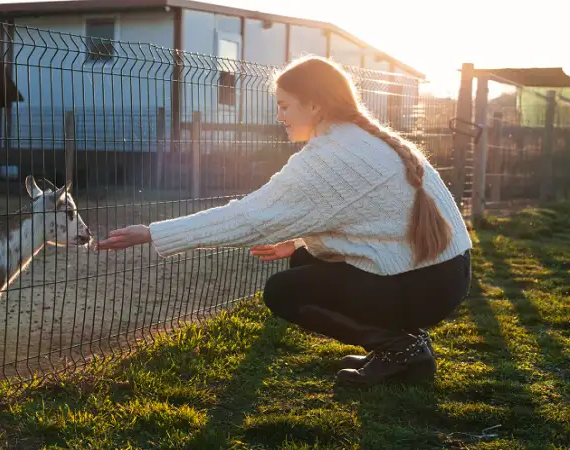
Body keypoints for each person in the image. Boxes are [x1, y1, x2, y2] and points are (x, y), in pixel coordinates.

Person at [95, 55, 472, 386]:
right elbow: (369, 218)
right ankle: (399, 343)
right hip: (441, 273)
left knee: (283, 292)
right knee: (304, 260)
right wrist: (295, 241)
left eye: (285, 106)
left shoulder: (329, 158)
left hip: (426, 284)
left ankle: (402, 348)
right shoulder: (362, 139)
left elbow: (247, 218)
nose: (279, 117)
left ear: (316, 106)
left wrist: (152, 232)